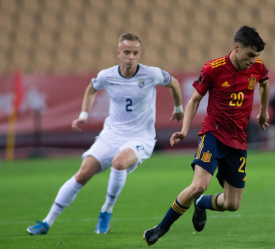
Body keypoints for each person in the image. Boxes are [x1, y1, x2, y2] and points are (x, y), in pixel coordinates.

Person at [26, 32, 184, 235]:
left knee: (119, 163)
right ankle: (47, 222)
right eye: (127, 52)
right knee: (82, 174)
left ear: (140, 54)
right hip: (111, 134)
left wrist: (178, 108)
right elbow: (91, 89)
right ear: (118, 53)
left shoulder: (151, 74)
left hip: (141, 137)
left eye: (135, 53)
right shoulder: (107, 75)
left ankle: (106, 211)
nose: (131, 57)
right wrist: (83, 114)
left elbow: (175, 83)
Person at [142, 26, 269, 246]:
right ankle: (160, 228)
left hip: (238, 140)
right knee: (199, 184)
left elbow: (265, 84)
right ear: (236, 48)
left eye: (256, 56)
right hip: (214, 134)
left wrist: (263, 111)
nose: (253, 60)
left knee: (233, 204)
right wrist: (183, 130)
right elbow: (194, 101)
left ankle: (201, 204)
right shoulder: (213, 69)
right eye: (250, 54)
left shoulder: (257, 67)